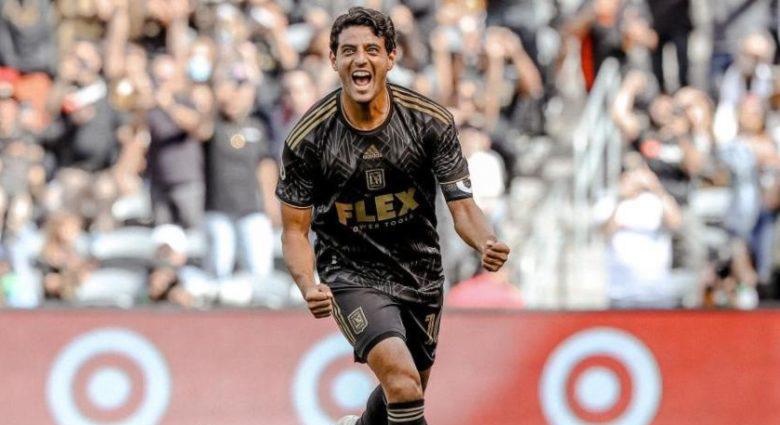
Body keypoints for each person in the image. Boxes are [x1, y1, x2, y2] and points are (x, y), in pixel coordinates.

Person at [276, 8, 510, 425]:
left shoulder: (429, 122)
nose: (360, 59)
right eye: (349, 50)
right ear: (333, 60)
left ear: (391, 57)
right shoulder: (308, 138)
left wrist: (486, 241)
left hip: (420, 273)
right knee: (403, 384)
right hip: (351, 274)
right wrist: (307, 283)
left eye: (371, 49)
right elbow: (294, 230)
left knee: (404, 392)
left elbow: (462, 206)